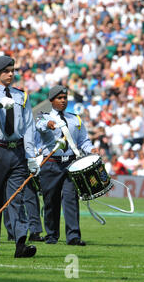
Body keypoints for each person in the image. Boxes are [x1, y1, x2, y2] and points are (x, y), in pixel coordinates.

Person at [0, 56, 39, 258]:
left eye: (12, 70)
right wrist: (2, 102)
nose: (11, 74)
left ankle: (20, 243)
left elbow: (29, 126)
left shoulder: (21, 96)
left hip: (17, 152)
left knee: (17, 199)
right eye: (6, 71)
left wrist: (31, 156)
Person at [36, 85, 98, 246]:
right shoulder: (43, 117)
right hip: (50, 164)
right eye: (59, 98)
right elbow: (40, 126)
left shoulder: (75, 118)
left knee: (71, 199)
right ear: (51, 101)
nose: (63, 101)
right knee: (51, 201)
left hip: (71, 163)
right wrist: (48, 124)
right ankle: (51, 235)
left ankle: (73, 236)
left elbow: (83, 140)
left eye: (65, 98)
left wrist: (91, 149)